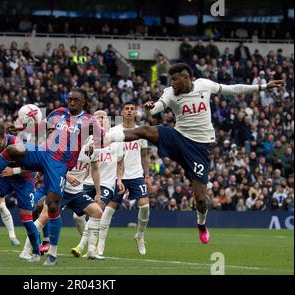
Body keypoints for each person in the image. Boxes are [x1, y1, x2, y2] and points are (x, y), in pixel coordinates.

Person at [105, 63, 284, 244]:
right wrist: (151, 108)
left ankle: (201, 223)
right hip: (179, 137)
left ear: (187, 78)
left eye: (175, 79)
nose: (172, 83)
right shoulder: (171, 93)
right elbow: (159, 105)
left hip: (199, 148)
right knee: (146, 130)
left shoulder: (204, 85)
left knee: (200, 199)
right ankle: (107, 137)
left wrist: (262, 86)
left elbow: (233, 89)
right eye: (171, 80)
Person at [0, 87, 105, 266]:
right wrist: (20, 127)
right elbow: (41, 127)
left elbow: (102, 138)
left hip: (58, 163)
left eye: (76, 99)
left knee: (52, 207)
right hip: (43, 151)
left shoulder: (89, 120)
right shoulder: (59, 112)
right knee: (12, 149)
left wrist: (93, 145)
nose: (72, 102)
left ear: (84, 102)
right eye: (70, 98)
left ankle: (52, 253)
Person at [99, 103, 150, 256]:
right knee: (108, 209)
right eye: (126, 109)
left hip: (136, 174)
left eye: (131, 109)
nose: (129, 111)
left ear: (135, 113)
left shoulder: (141, 132)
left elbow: (144, 156)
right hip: (117, 175)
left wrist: (146, 175)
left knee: (145, 207)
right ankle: (101, 242)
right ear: (122, 112)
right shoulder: (114, 131)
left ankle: (139, 236)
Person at [71, 110, 122, 257]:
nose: (100, 120)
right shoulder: (87, 140)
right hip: (87, 182)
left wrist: (119, 180)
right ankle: (88, 240)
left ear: (108, 121)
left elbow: (120, 162)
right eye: (97, 118)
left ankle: (83, 247)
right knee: (76, 217)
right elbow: (85, 164)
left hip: (106, 183)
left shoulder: (115, 139)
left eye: (103, 118)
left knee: (98, 208)